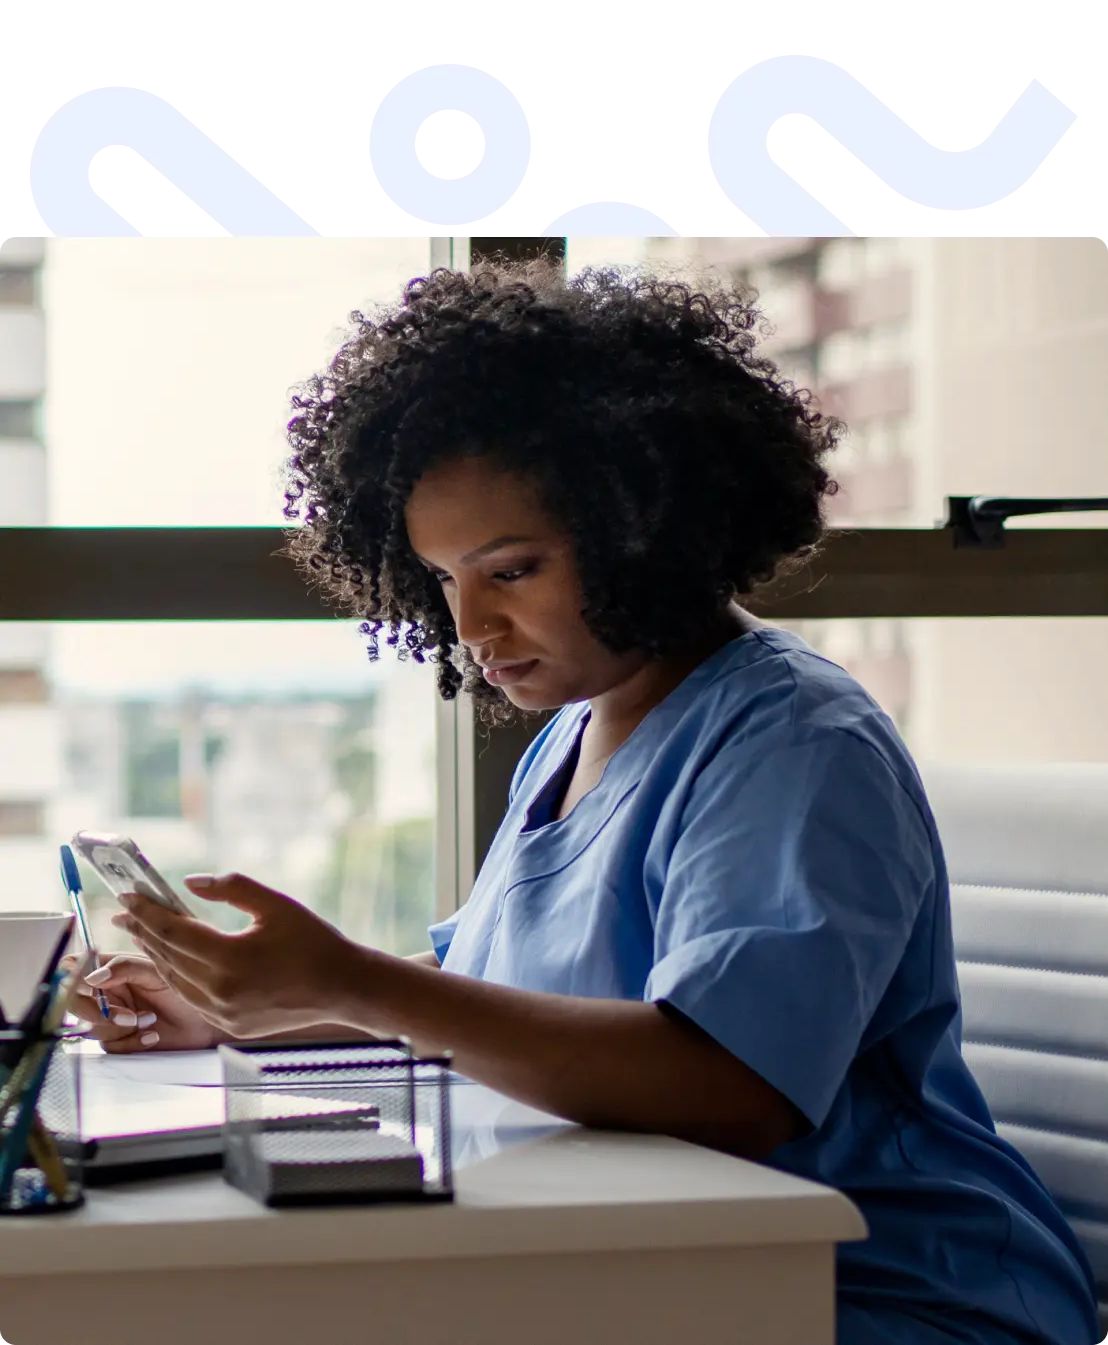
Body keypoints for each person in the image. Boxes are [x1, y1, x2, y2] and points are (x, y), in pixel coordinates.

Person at [65, 259, 1099, 1345]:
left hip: (873, 1294)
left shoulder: (796, 742)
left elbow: (728, 1082)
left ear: (643, 525)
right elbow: (484, 998)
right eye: (442, 580)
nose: (470, 625)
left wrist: (349, 978)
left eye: (510, 571)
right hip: (655, 1267)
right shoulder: (574, 734)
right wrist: (249, 1014)